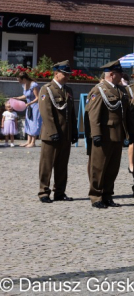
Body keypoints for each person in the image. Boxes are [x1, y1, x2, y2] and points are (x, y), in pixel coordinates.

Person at [85, 60, 133, 209]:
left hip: (117, 135)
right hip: (104, 135)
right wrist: (96, 134)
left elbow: (125, 114)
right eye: (120, 74)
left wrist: (129, 133)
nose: (122, 77)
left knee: (113, 168)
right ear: (112, 74)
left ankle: (107, 195)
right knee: (98, 167)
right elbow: (93, 114)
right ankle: (96, 195)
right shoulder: (99, 90)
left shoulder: (121, 90)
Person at [37, 61, 78, 203]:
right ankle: (44, 192)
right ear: (56, 73)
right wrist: (53, 131)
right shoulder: (47, 89)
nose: (67, 77)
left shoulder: (68, 91)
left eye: (68, 74)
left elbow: (71, 113)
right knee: (47, 165)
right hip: (51, 135)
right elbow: (46, 113)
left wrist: (74, 131)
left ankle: (60, 192)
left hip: (65, 135)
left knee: (62, 166)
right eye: (65, 74)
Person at [15, 72, 41, 148]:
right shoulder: (24, 85)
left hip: (35, 106)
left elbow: (37, 98)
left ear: (24, 79)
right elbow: (26, 96)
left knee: (34, 123)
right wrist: (17, 98)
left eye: (19, 80)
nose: (19, 82)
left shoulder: (34, 85)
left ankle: (33, 142)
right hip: (29, 106)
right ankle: (28, 141)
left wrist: (28, 104)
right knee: (28, 123)